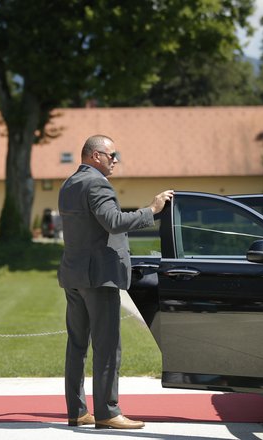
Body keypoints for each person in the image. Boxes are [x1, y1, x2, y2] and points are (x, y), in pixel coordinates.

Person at [57, 134, 173, 429]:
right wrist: (152, 210)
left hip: (75, 275)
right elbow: (114, 222)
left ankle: (78, 411)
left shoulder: (69, 184)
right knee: (108, 347)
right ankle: (108, 413)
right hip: (100, 278)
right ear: (95, 156)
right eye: (112, 155)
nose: (115, 160)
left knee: (77, 346)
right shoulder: (96, 183)